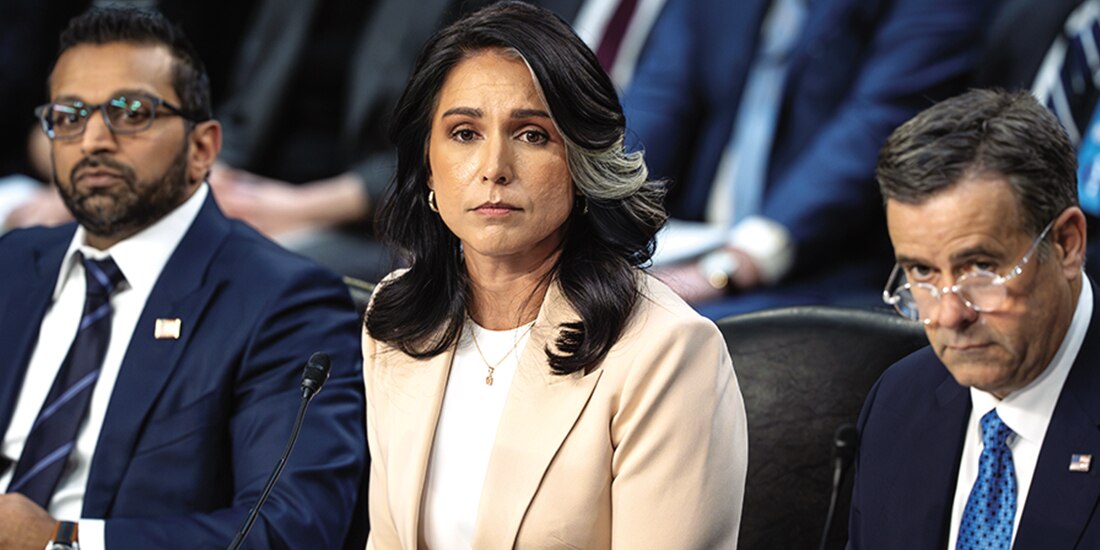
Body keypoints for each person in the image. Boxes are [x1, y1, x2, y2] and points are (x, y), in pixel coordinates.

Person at [361, 2, 747, 548]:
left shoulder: (668, 352)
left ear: (582, 161)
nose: (494, 166)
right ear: (428, 164)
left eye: (532, 135)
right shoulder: (397, 319)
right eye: (465, 133)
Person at [0, 8, 366, 549]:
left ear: (203, 149)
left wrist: (60, 540)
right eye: (70, 115)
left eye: (130, 112)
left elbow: (290, 530)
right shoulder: (13, 262)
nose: (94, 139)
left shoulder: (284, 301)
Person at [622, 0, 997, 318]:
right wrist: (599, 222)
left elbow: (873, 131)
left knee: (659, 329)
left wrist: (731, 266)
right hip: (686, 246)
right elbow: (658, 100)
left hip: (827, 272)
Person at [848, 89, 1100, 547]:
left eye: (982, 269)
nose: (949, 314)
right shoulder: (898, 402)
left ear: (1066, 244)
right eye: (922, 272)